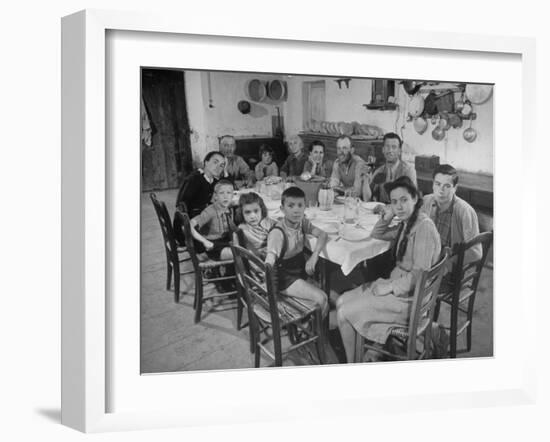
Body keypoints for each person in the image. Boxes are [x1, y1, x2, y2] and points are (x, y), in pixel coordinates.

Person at [336, 176, 441, 362]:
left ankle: (352, 365)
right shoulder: (407, 223)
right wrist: (388, 215)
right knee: (341, 301)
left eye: (404, 200)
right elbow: (378, 234)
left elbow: (419, 274)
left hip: (411, 300)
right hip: (399, 287)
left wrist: (390, 287)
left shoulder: (424, 227)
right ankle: (355, 359)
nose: (399, 206)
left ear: (415, 199)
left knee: (343, 312)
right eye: (394, 202)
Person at [265, 187, 329, 317]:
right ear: (282, 209)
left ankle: (314, 328)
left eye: (300, 205)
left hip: (298, 270)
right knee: (322, 298)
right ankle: (314, 331)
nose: (296, 210)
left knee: (327, 295)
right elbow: (269, 264)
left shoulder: (302, 222)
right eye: (291, 205)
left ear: (305, 207)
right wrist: (272, 295)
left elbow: (322, 234)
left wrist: (314, 255)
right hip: (284, 277)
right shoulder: (278, 233)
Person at [421, 164, 481, 263]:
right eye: (438, 184)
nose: (441, 190)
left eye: (447, 186)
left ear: (455, 188)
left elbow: (476, 252)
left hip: (448, 265)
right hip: (426, 258)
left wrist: (448, 265)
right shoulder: (426, 201)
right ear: (433, 184)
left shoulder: (465, 211)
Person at [174, 151, 226, 244]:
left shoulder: (211, 180)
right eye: (215, 162)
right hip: (188, 228)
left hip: (197, 221)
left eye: (222, 165)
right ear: (206, 162)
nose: (218, 167)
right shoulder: (194, 179)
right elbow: (181, 205)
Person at [189, 180, 235, 261]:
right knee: (239, 253)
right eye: (221, 193)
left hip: (224, 241)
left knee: (247, 247)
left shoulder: (229, 208)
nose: (225, 196)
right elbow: (189, 224)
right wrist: (204, 241)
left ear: (232, 196)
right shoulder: (210, 211)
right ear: (215, 196)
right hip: (212, 246)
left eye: (229, 193)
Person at [367, 132, 417, 203]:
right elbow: (368, 197)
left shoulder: (408, 171)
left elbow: (411, 199)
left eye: (394, 147)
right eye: (387, 147)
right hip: (382, 211)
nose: (390, 150)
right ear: (383, 150)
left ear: (399, 151)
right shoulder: (379, 171)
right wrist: (365, 179)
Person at [237, 192, 276, 258]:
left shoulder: (270, 222)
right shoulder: (242, 230)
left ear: (262, 210)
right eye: (247, 212)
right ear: (241, 213)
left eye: (256, 211)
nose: (252, 216)